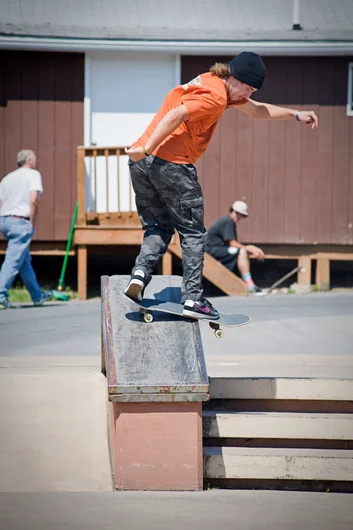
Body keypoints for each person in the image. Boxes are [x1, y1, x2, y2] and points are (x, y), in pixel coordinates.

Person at [124, 51, 318, 319]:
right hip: (171, 163)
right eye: (246, 88)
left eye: (252, 90)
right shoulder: (216, 98)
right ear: (234, 77)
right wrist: (146, 149)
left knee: (158, 226)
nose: (246, 95)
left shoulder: (212, 82)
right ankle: (192, 299)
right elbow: (177, 115)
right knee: (192, 233)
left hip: (142, 167)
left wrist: (296, 114)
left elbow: (258, 109)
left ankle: (140, 274)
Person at [0, 149, 52, 309]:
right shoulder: (33, 175)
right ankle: (1, 295)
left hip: (5, 220)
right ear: (29, 160)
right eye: (34, 157)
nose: (36, 160)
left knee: (23, 260)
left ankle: (37, 296)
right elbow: (33, 199)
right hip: (20, 221)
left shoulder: (8, 178)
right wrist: (32, 222)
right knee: (13, 260)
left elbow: (1, 201)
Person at [206, 200, 266, 295]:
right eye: (238, 214)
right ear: (232, 211)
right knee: (241, 251)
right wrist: (248, 248)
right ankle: (250, 285)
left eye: (241, 215)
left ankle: (247, 283)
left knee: (240, 251)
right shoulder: (228, 221)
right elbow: (232, 243)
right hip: (212, 250)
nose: (239, 217)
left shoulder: (228, 221)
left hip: (218, 249)